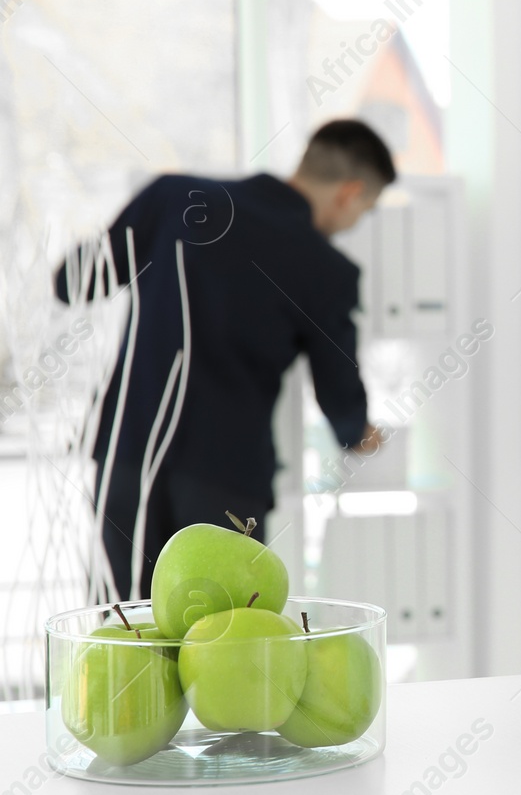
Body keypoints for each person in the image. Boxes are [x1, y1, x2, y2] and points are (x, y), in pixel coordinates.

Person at [53, 118, 396, 602]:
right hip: (227, 480)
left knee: (126, 624)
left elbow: (74, 282)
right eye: (365, 210)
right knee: (221, 635)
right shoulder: (327, 270)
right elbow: (339, 394)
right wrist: (360, 433)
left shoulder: (176, 198)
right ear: (350, 193)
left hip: (130, 457)